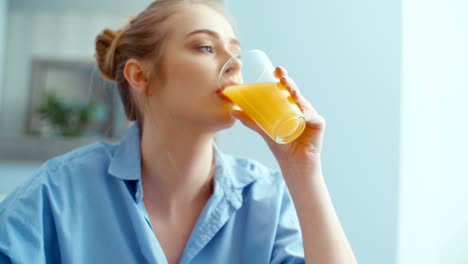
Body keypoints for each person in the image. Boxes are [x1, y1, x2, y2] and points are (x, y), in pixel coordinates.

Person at [0, 0, 356, 263]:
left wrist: (303, 168)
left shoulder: (265, 200)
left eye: (235, 53)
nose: (233, 67)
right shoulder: (59, 192)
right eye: (205, 47)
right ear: (141, 76)